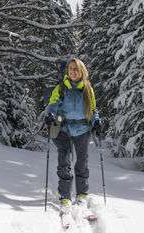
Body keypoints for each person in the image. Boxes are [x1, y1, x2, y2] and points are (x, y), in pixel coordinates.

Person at [44, 58, 101, 218]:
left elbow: (93, 109)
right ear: (67, 71)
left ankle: (82, 195)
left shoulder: (88, 89)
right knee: (64, 163)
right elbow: (52, 104)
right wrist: (49, 114)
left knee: (82, 163)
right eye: (70, 68)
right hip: (63, 129)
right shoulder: (61, 87)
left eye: (76, 68)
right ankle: (65, 198)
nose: (73, 71)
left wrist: (97, 122)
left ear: (81, 70)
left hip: (83, 130)